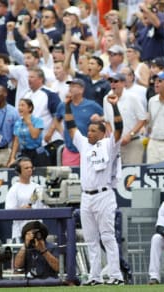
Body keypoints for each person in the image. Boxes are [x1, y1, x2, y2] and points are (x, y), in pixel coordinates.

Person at [65, 92, 125, 285]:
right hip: (86, 197)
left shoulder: (109, 145)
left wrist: (114, 106)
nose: (88, 133)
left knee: (107, 237)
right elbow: (71, 127)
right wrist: (67, 105)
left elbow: (119, 128)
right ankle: (95, 277)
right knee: (91, 240)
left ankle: (116, 276)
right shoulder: (83, 144)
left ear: (101, 132)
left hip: (104, 195)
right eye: (88, 130)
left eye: (93, 131)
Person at [5, 157, 48, 243]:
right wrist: (22, 209)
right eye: (26, 168)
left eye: (31, 167)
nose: (29, 170)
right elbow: (8, 212)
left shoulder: (38, 187)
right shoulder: (14, 189)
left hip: (38, 232)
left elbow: (45, 207)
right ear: (19, 171)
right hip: (20, 233)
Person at [8, 98, 48, 167]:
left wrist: (28, 122)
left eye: (22, 105)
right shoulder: (18, 123)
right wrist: (12, 157)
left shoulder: (38, 121)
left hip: (37, 152)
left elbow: (34, 136)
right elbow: (16, 141)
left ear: (30, 108)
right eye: (19, 105)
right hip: (24, 153)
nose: (20, 108)